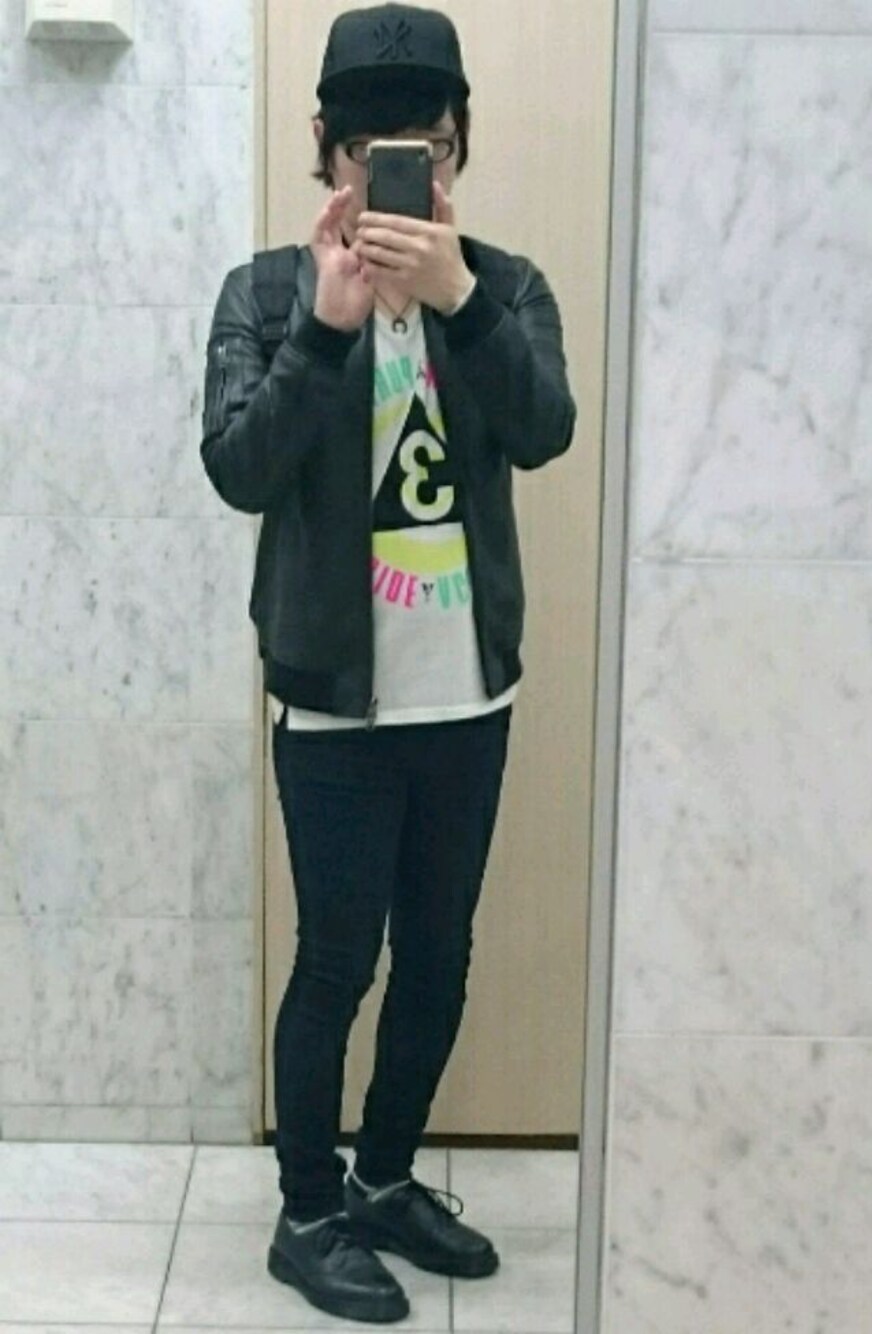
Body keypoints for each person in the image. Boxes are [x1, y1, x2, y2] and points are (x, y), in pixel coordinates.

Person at [200, 2, 576, 1323]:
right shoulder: (265, 294)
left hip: (468, 696)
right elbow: (239, 468)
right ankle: (307, 1212)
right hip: (332, 704)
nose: (394, 179)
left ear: (459, 145)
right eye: (370, 154)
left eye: (424, 150)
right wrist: (323, 330)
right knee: (335, 962)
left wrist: (458, 301)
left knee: (439, 956)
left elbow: (545, 429)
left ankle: (383, 1177)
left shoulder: (505, 288)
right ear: (325, 146)